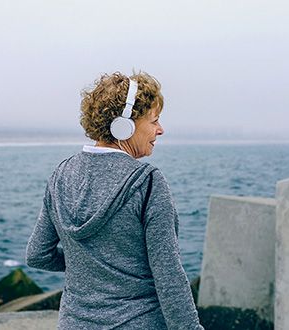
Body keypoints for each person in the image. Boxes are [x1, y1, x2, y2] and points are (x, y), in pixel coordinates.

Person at [26, 72, 204, 329]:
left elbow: (37, 255)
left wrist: (88, 266)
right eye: (154, 120)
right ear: (125, 125)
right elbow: (169, 277)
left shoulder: (60, 175)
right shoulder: (148, 182)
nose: (161, 130)